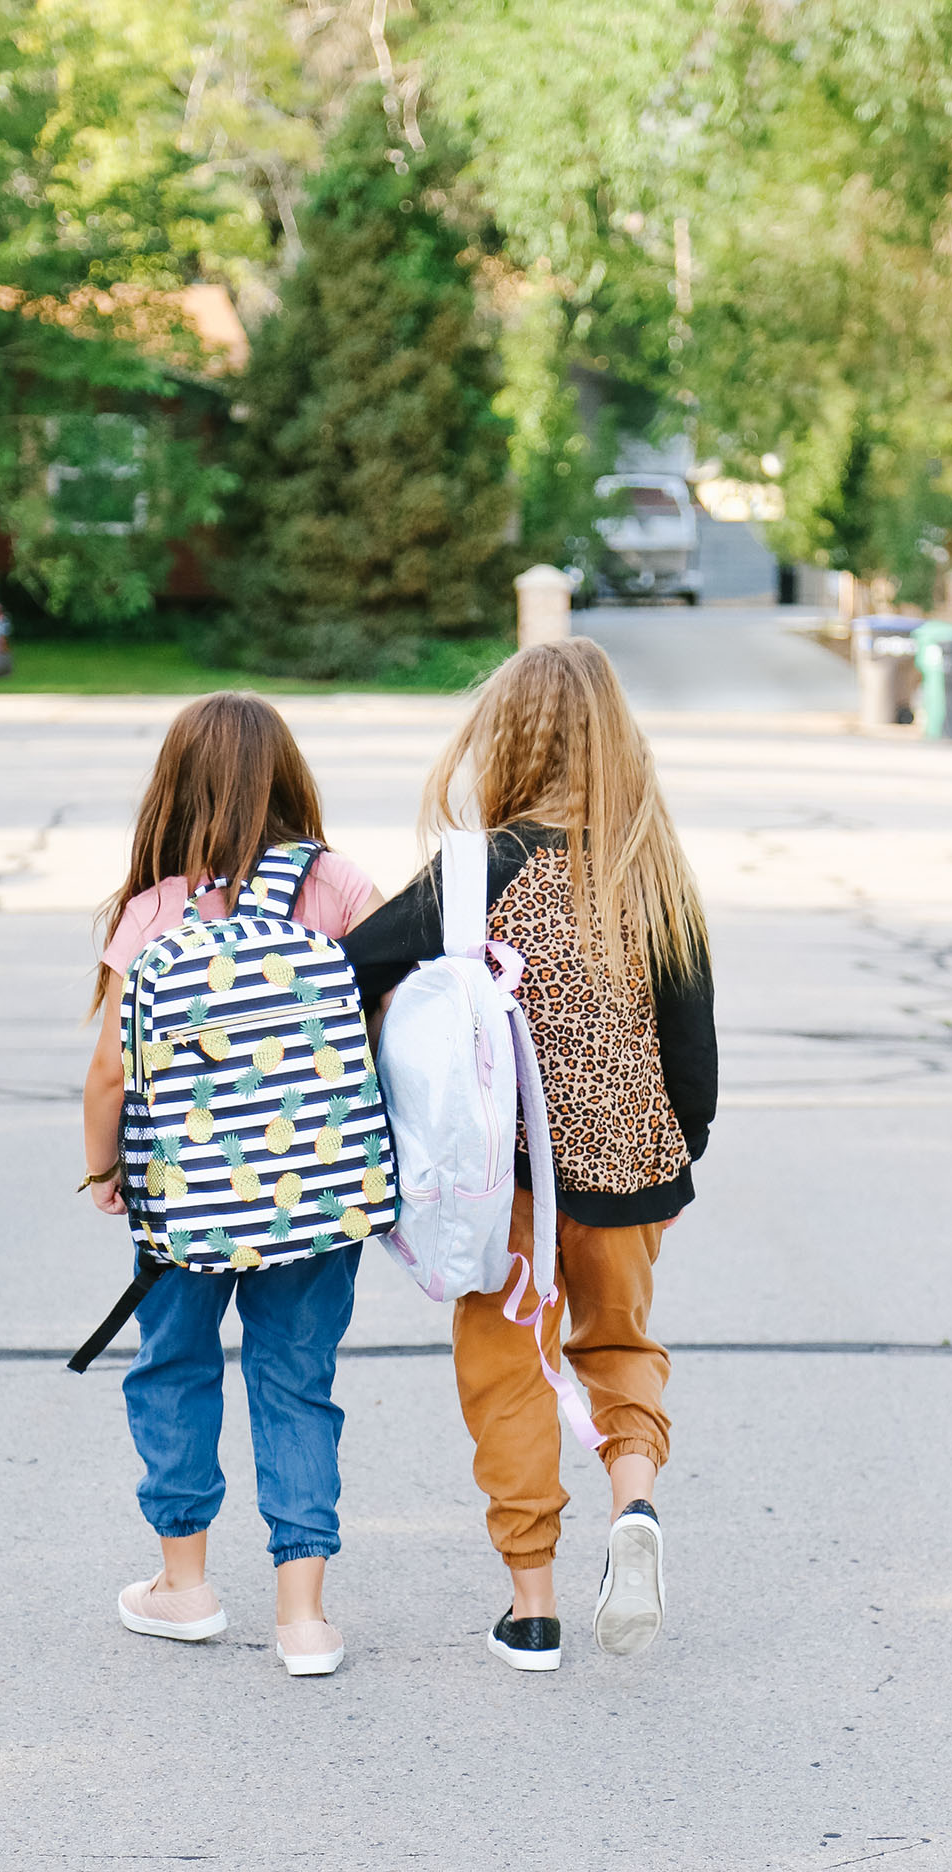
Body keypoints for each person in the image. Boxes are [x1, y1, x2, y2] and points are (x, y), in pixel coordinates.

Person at [344, 640, 716, 1671]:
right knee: (620, 1346)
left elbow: (353, 964)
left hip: (504, 1182)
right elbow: (693, 1045)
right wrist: (678, 1168)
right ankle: (633, 1501)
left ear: (501, 741)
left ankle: (534, 1606)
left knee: (510, 1369)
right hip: (635, 1170)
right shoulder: (651, 869)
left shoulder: (474, 868)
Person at [81, 693, 385, 1677]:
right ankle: (304, 1619)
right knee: (296, 1381)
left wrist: (104, 1170)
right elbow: (394, 1024)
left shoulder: (156, 910)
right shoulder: (337, 887)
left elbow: (111, 1071)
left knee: (174, 1370)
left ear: (174, 790)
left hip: (185, 1203)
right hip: (319, 1200)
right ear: (290, 778)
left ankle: (186, 1587)